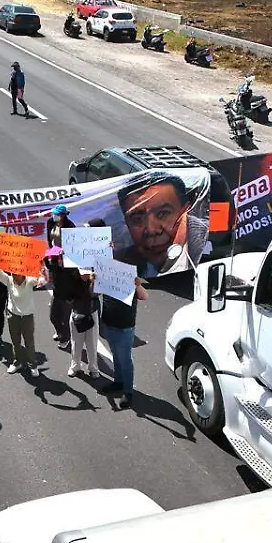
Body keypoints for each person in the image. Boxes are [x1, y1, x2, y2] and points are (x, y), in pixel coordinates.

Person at [112, 172, 208, 278]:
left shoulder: (211, 252)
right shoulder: (119, 264)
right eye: (137, 219)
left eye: (163, 214)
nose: (151, 230)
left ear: (186, 212)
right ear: (127, 224)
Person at [100, 269, 148, 409]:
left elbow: (145, 296)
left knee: (125, 360)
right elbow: (94, 293)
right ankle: (118, 382)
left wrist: (137, 285)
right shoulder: (106, 276)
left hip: (124, 327)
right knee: (116, 355)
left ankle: (128, 391)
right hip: (109, 324)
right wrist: (95, 280)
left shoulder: (129, 279)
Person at [0, 264, 41, 377]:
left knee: (29, 342)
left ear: (23, 274)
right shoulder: (9, 280)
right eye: (13, 273)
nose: (14, 276)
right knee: (15, 342)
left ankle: (33, 365)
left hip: (27, 316)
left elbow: (39, 278)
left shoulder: (30, 281)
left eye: (17, 274)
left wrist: (39, 265)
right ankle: (17, 362)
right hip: (13, 316)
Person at [44, 246, 77, 351]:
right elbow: (49, 266)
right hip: (56, 296)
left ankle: (66, 339)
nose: (60, 261)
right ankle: (60, 333)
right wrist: (43, 257)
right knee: (53, 317)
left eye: (61, 259)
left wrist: (72, 297)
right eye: (58, 258)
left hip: (67, 299)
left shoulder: (72, 269)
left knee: (65, 320)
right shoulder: (55, 266)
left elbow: (76, 284)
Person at [69, 268, 100, 378]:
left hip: (91, 313)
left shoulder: (95, 276)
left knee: (92, 343)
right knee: (76, 343)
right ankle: (75, 366)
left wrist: (92, 282)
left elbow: (95, 294)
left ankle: (93, 368)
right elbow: (68, 295)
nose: (84, 275)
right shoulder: (72, 277)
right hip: (77, 313)